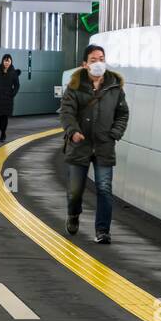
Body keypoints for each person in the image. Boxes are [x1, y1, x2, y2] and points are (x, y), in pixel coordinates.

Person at [58, 45, 129, 244]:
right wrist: (73, 132)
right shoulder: (74, 86)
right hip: (79, 145)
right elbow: (66, 113)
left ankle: (103, 231)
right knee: (74, 191)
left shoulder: (114, 87)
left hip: (104, 146)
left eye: (101, 58)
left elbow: (123, 113)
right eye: (93, 60)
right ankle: (73, 214)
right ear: (84, 64)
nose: (98, 63)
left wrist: (114, 134)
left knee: (105, 189)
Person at [0, 53, 21, 141]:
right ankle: (2, 130)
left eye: (8, 61)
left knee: (5, 116)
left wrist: (12, 94)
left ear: (11, 62)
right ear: (2, 61)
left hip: (7, 98)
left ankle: (3, 133)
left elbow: (17, 85)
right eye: (5, 61)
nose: (7, 63)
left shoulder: (14, 73)